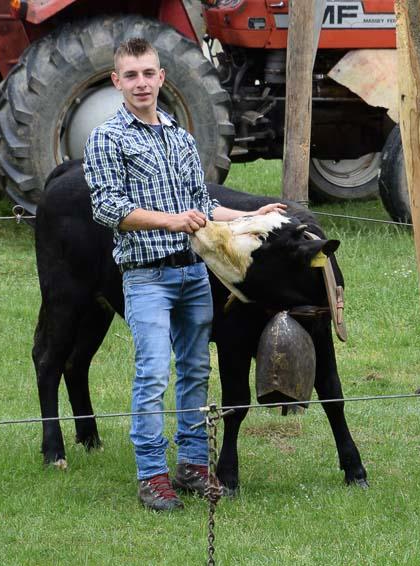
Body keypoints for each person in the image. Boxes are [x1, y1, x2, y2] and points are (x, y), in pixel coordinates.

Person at [84, 38, 285, 511]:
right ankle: (152, 474)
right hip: (146, 277)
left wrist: (252, 216)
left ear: (161, 78)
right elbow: (107, 207)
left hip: (193, 275)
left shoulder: (180, 136)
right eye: (130, 75)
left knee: (195, 370)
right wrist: (172, 220)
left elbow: (203, 206)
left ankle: (193, 465)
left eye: (148, 73)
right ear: (117, 82)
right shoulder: (107, 138)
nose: (141, 83)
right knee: (153, 373)